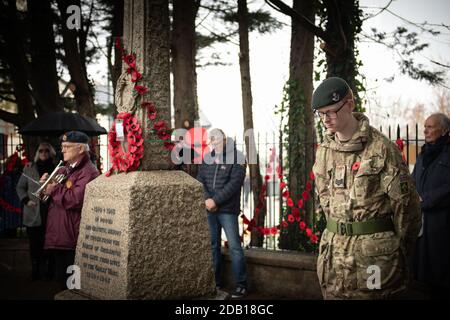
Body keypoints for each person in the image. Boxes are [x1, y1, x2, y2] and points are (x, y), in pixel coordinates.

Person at [312, 77, 422, 299]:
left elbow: (407, 207)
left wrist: (393, 248)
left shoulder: (382, 149)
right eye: (321, 113)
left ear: (350, 104)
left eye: (332, 111)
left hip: (373, 260)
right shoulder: (324, 150)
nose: (326, 119)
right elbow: (324, 198)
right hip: (334, 259)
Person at [41, 131, 99, 287]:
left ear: (80, 149)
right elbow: (52, 197)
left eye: (67, 146)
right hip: (60, 234)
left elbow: (75, 199)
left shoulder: (89, 171)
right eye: (62, 146)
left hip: (72, 237)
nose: (63, 150)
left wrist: (53, 190)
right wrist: (45, 186)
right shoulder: (65, 168)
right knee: (62, 282)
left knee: (73, 285)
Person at [197, 128, 248, 298]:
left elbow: (234, 184)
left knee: (234, 247)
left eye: (217, 139)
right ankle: (216, 283)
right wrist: (207, 200)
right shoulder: (207, 157)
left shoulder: (238, 157)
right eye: (211, 139)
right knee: (213, 247)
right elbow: (200, 181)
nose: (214, 142)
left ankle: (241, 285)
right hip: (209, 210)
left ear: (224, 139)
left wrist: (215, 201)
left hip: (227, 211)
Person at [412, 113, 450, 300]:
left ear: (444, 130)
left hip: (442, 223)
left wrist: (425, 199)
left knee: (441, 273)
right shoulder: (422, 154)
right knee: (422, 275)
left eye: (430, 127)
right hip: (422, 224)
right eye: (425, 127)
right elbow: (413, 181)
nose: (425, 130)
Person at [16, 142, 56, 280]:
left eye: (46, 150)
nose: (43, 153)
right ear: (37, 153)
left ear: (51, 152)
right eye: (40, 151)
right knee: (35, 244)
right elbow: (20, 187)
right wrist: (26, 201)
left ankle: (49, 271)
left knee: (50, 244)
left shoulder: (56, 168)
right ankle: (36, 270)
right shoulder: (29, 168)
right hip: (33, 212)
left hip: (51, 212)